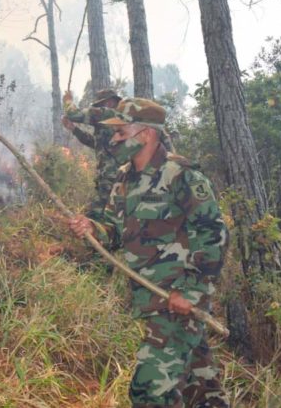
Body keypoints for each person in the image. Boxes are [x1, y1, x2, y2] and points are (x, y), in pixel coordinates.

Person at [68, 98, 230, 408]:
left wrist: (191, 291)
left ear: (145, 134)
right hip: (151, 298)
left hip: (178, 301)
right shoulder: (124, 179)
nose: (114, 140)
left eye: (120, 133)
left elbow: (215, 234)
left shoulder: (180, 175)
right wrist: (91, 227)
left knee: (148, 393)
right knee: (202, 391)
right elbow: (113, 231)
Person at [62, 89, 122, 220]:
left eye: (101, 104)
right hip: (110, 177)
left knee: (99, 214)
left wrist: (67, 100)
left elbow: (73, 113)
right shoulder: (112, 121)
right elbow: (95, 143)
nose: (98, 109)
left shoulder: (108, 114)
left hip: (113, 177)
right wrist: (74, 129)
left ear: (110, 102)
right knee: (109, 214)